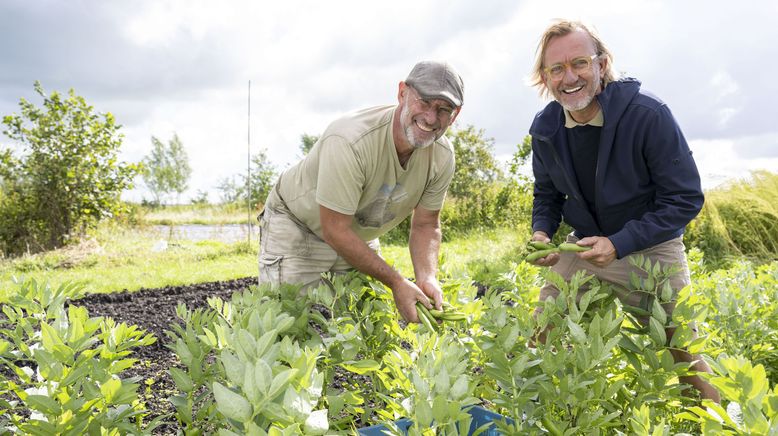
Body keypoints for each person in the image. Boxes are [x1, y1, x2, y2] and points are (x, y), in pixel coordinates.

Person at [526, 20, 719, 402]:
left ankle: (723, 425)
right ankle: (528, 414)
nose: (570, 77)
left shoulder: (647, 114)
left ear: (601, 64)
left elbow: (684, 198)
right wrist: (542, 234)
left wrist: (619, 242)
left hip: (650, 248)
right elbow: (546, 195)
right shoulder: (546, 128)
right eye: (557, 69)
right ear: (545, 78)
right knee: (539, 334)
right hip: (582, 248)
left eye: (579, 63)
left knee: (684, 351)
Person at [258, 60, 464, 323]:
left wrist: (427, 277)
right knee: (291, 325)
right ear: (402, 93)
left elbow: (425, 224)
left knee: (359, 329)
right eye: (423, 102)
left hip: (355, 231)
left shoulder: (442, 156)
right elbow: (334, 228)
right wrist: (396, 281)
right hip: (299, 225)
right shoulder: (349, 140)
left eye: (443, 109)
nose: (431, 118)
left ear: (454, 115)